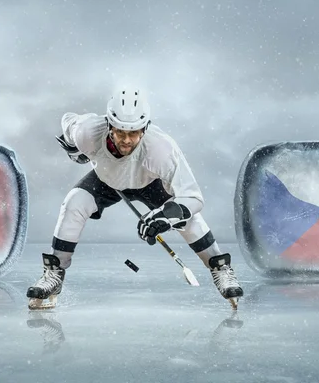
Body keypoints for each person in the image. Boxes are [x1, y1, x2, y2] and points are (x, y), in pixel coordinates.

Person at [27, 88, 243, 309]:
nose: (127, 141)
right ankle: (54, 275)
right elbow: (68, 120)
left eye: (134, 133)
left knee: (187, 219)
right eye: (120, 132)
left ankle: (220, 268)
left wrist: (165, 216)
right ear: (109, 125)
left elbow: (194, 198)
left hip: (149, 182)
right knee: (74, 203)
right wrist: (74, 146)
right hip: (106, 179)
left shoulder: (162, 149)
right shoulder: (87, 132)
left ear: (146, 128)